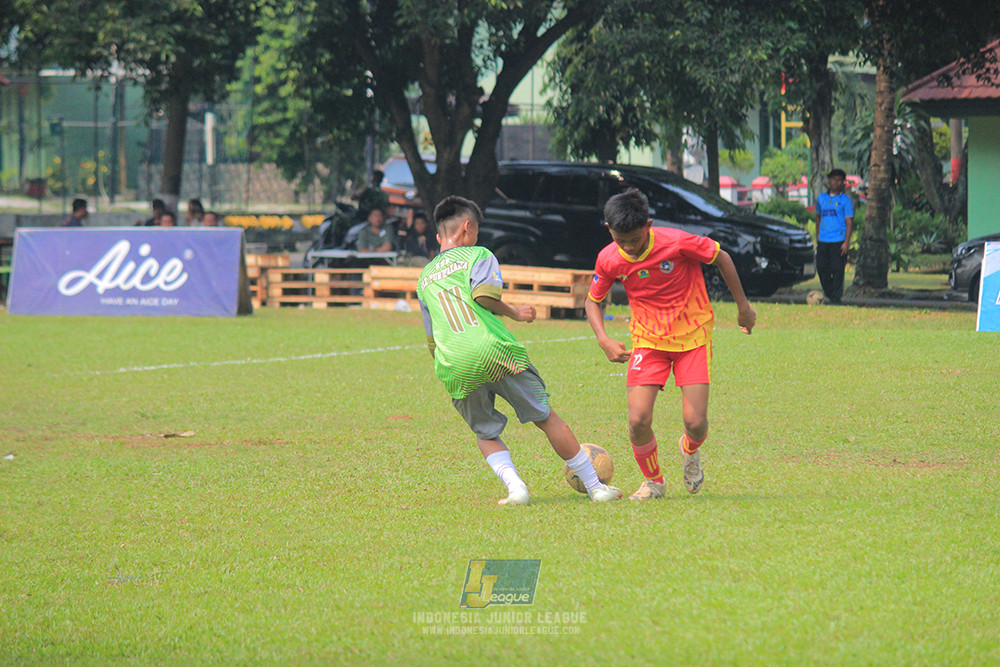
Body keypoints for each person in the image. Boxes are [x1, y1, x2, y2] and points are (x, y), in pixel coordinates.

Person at [417, 196, 622, 505]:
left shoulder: (424, 278)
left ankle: (517, 490)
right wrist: (515, 313)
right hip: (495, 352)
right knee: (546, 418)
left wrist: (453, 365)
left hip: (454, 362)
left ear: (438, 236)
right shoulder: (478, 254)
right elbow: (484, 295)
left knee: (485, 432)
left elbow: (432, 340)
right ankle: (596, 488)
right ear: (467, 227)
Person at [585, 188, 756, 500]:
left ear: (648, 225)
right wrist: (603, 339)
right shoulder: (609, 258)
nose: (629, 248)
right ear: (609, 230)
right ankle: (654, 482)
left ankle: (689, 449)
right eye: (621, 241)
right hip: (649, 341)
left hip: (693, 336)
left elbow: (723, 258)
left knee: (696, 422)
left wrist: (743, 309)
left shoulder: (677, 242)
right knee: (637, 418)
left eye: (635, 240)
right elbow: (592, 301)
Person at [815, 168, 854, 304]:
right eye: (833, 179)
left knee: (837, 270)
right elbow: (818, 217)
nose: (836, 182)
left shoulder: (845, 201)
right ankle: (830, 293)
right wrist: (818, 236)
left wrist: (846, 242)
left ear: (843, 182)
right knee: (821, 267)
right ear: (829, 181)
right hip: (823, 239)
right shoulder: (821, 199)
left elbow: (849, 222)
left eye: (839, 180)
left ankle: (836, 299)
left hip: (838, 239)